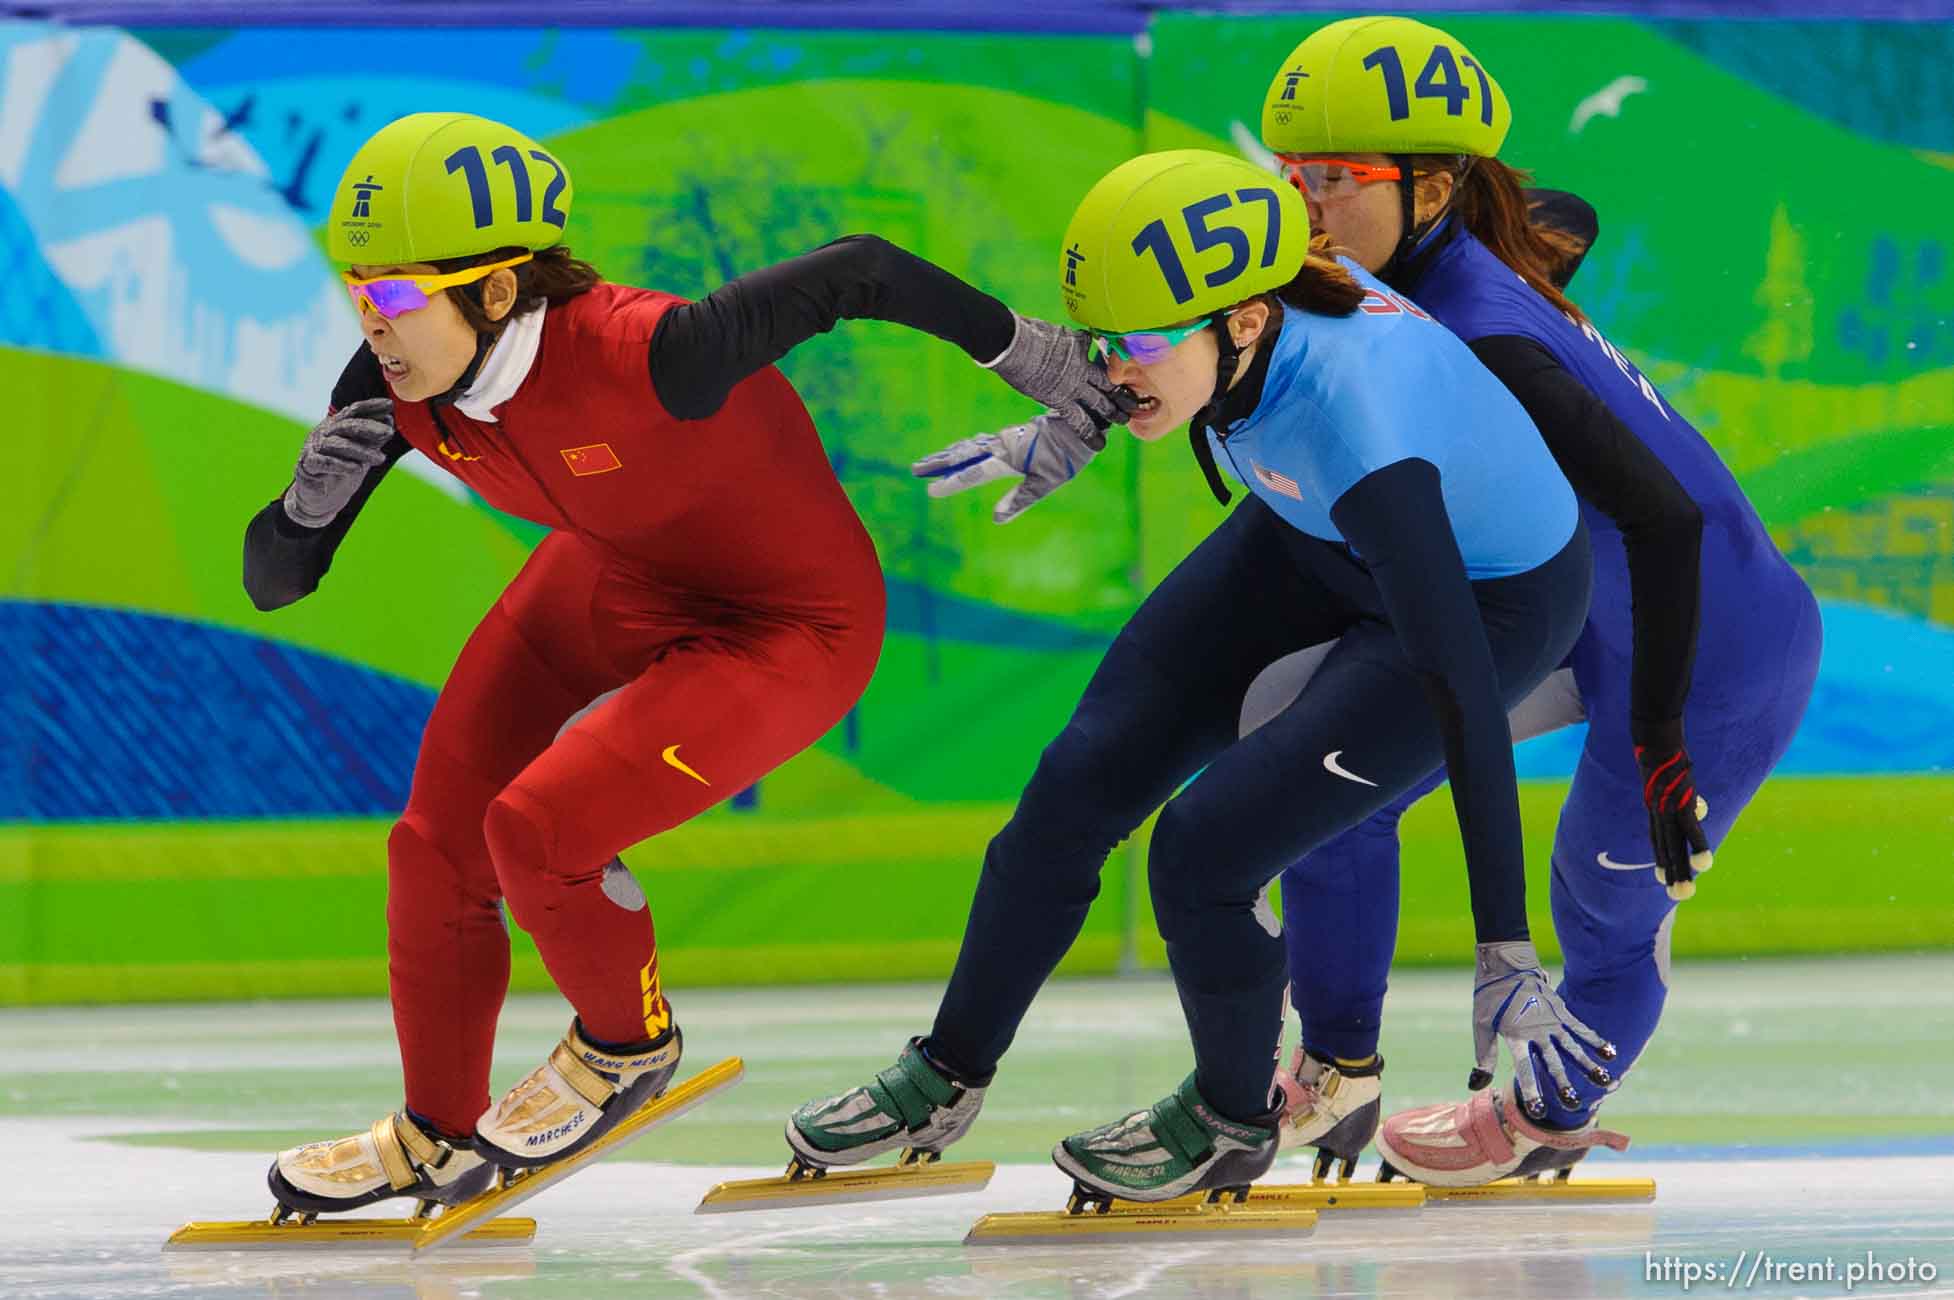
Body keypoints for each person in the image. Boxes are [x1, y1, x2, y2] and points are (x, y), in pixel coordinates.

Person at [244, 111, 1133, 1217]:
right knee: (433, 846)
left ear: (497, 289)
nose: (369, 320)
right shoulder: (391, 381)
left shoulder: (649, 351)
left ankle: (627, 1045)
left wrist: (1024, 349)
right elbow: (275, 581)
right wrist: (298, 512)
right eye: (356, 287)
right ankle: (436, 1133)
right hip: (610, 575)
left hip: (787, 623)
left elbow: (858, 270)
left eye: (393, 292)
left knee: (539, 829)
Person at [789, 148, 1602, 1206]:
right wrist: (1075, 414)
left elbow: (1461, 700)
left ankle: (1230, 1118)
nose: (1114, 370)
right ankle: (947, 1070)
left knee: (1203, 849)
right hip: (1310, 530)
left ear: (1248, 321)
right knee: (1072, 788)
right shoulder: (1231, 315)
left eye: (1135, 349)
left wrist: (1504, 940)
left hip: (1480, 602)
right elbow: (1133, 362)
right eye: (1102, 345)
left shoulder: (1356, 423)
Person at [1251, 16, 1822, 1185]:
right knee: (1318, 770)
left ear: (1432, 185)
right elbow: (1568, 213)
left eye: (1333, 179)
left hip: (1708, 647)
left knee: (1600, 912)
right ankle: (1339, 1068)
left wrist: (1658, 740)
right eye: (1291, 177)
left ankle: (1544, 1115)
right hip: (1573, 618)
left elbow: (1664, 520)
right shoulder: (1451, 243)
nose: (1304, 206)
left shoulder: (1484, 335)